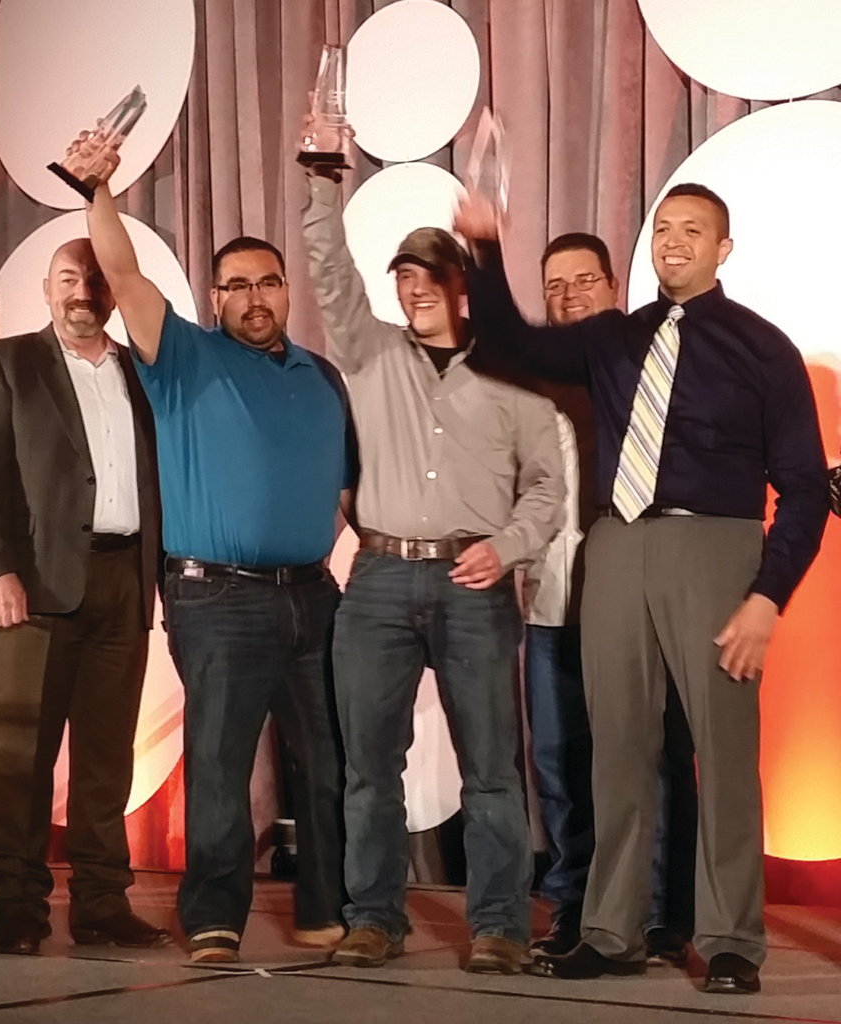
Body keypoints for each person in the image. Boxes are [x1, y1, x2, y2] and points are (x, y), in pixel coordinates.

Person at [457, 183, 829, 994]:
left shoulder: (764, 348)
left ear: (722, 250)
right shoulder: (613, 340)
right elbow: (510, 339)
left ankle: (730, 938)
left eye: (693, 231)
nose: (673, 242)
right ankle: (609, 929)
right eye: (663, 229)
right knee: (617, 747)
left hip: (716, 547)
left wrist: (767, 597)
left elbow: (803, 487)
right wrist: (484, 249)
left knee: (723, 754)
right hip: (617, 546)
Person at [73, 133, 352, 964]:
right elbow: (122, 273)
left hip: (311, 593)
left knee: (330, 760)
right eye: (236, 285)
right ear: (214, 300)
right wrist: (99, 191)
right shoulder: (181, 355)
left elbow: (347, 492)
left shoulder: (322, 375)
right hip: (216, 597)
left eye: (268, 281)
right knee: (221, 762)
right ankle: (214, 915)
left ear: (287, 290)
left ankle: (325, 903)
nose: (255, 296)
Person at [300, 148, 564, 974]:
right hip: (377, 578)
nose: (411, 290)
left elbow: (548, 491)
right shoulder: (371, 351)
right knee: (369, 769)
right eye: (402, 278)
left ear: (460, 284)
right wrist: (319, 177)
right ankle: (374, 917)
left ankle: (498, 927)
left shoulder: (512, 374)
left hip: (471, 585)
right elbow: (327, 266)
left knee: (491, 769)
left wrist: (509, 547)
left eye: (427, 276)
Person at [0, 236, 167, 956]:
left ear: (114, 292)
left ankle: (103, 903)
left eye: (96, 280)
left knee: (109, 759)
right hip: (36, 584)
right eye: (69, 279)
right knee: (22, 757)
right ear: (47, 289)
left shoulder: (141, 371)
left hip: (123, 581)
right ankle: (16, 904)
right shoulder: (7, 363)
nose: (84, 292)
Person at [524, 233, 697, 968]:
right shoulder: (522, 378)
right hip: (550, 601)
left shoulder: (653, 366)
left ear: (613, 286)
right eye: (555, 286)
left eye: (583, 282)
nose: (569, 297)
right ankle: (574, 906)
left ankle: (660, 913)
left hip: (637, 599)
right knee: (560, 761)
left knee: (649, 758)